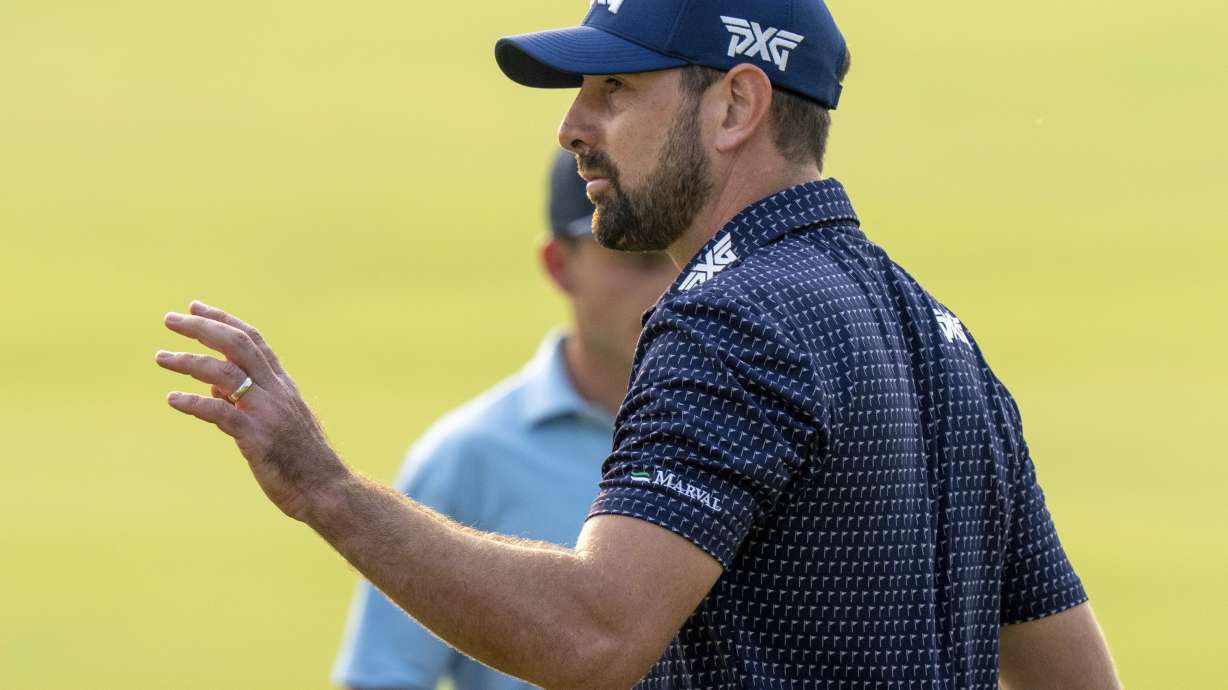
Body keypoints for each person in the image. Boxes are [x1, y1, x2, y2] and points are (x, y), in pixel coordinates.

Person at [155, 0, 1122, 687]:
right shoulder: (937, 335)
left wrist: (325, 488)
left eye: (613, 87)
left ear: (736, 107)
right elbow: (1072, 677)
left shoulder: (729, 317)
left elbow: (595, 637)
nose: (573, 125)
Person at [330, 150, 677, 690]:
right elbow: (385, 676)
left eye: (690, 258)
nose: (672, 290)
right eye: (637, 260)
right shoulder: (469, 454)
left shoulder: (755, 431)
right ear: (560, 266)